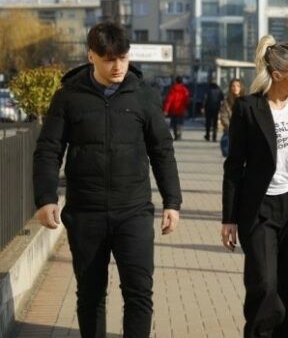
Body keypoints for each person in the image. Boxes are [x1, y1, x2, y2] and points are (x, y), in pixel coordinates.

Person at [32, 21, 182, 338]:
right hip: (86, 213)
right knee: (90, 295)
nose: (118, 67)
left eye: (123, 58)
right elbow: (48, 150)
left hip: (134, 211)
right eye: (109, 59)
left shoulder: (144, 96)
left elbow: (162, 150)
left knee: (139, 292)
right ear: (91, 56)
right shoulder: (68, 98)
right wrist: (45, 198)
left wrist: (172, 201)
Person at [221, 35, 288, 338]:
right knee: (264, 285)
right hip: (260, 209)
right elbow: (234, 166)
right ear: (278, 75)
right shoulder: (248, 108)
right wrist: (229, 218)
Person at [219, 78, 245, 157]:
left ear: (241, 88)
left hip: (243, 133)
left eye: (238, 86)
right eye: (233, 86)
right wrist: (231, 127)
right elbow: (223, 116)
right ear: (230, 88)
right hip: (230, 132)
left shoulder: (246, 101)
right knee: (227, 153)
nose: (235, 88)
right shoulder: (226, 102)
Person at [163, 76, 190, 140]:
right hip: (181, 109)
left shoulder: (173, 89)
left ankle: (176, 135)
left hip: (174, 109)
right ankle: (179, 134)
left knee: (174, 123)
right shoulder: (185, 90)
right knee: (180, 122)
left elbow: (169, 100)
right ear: (182, 81)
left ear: (176, 81)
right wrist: (186, 108)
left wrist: (166, 110)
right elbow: (187, 100)